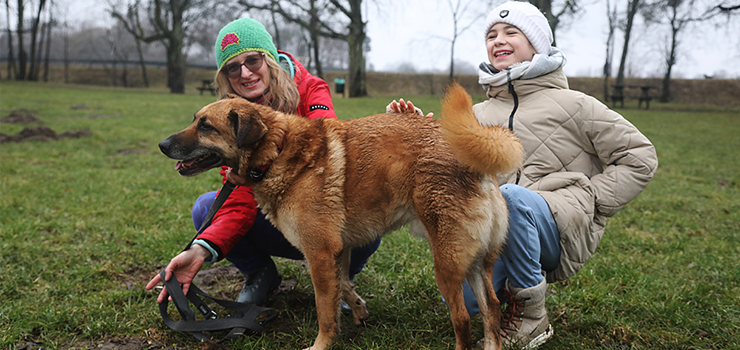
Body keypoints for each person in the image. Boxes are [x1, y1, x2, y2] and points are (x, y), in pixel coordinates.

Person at [389, 2, 658, 349]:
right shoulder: (475, 114)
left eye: (511, 32)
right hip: (496, 232)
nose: (498, 39)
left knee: (513, 199)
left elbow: (640, 157)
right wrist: (414, 132)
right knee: (466, 305)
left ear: (537, 43)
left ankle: (533, 316)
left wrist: (592, 200)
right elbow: (445, 177)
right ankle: (508, 296)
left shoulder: (577, 104)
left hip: (557, 224)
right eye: (491, 34)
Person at [147, 18, 381, 308]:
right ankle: (260, 274)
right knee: (206, 208)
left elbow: (329, 138)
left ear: (269, 59)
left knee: (361, 208)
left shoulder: (310, 89)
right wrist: (199, 250)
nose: (245, 73)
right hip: (278, 221)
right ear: (225, 76)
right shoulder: (229, 118)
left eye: (253, 61)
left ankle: (341, 281)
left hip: (321, 217)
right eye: (233, 67)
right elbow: (238, 197)